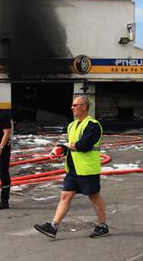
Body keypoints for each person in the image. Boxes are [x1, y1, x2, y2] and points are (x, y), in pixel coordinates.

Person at [34, 96, 108, 239]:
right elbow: (72, 145)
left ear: (84, 107)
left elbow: (83, 146)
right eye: (72, 105)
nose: (72, 108)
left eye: (75, 105)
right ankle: (53, 226)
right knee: (65, 195)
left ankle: (102, 225)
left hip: (87, 169)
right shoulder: (72, 125)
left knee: (94, 197)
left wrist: (67, 146)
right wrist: (60, 150)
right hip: (73, 169)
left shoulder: (93, 125)